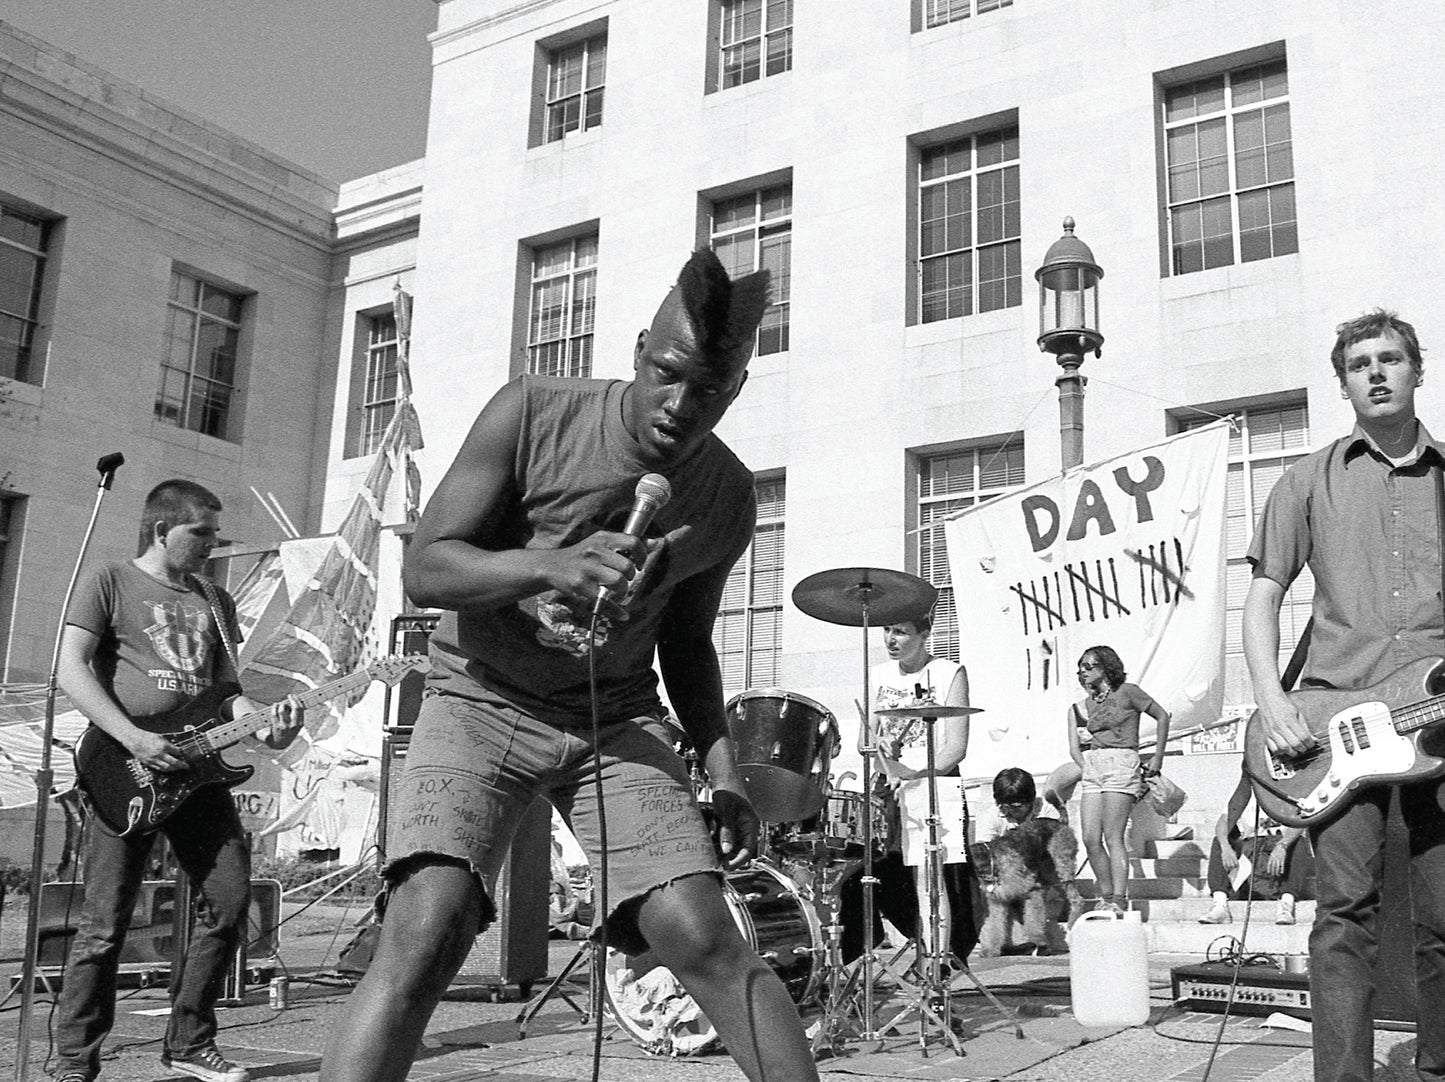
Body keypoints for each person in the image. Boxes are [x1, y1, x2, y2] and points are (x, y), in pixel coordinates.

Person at [318, 249, 820, 1082]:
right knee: (429, 927)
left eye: (706, 392)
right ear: (636, 350)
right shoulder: (531, 410)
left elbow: (686, 642)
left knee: (706, 938)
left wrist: (723, 768)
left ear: (733, 393)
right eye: (667, 374)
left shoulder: (726, 495)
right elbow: (428, 568)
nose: (678, 405)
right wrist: (549, 568)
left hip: (612, 721)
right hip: (480, 696)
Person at [1243, 309, 1445, 1082]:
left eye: (1389, 358)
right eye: (1359, 362)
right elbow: (1262, 596)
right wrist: (1270, 698)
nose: (1375, 372)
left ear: (1415, 370)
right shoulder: (1306, 479)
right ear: (1343, 383)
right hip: (1337, 726)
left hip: (1436, 724)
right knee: (1343, 917)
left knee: (1441, 918)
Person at [53, 480, 303, 1082]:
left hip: (202, 775)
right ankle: (73, 1063)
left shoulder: (216, 600)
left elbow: (228, 693)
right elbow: (70, 667)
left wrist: (271, 731)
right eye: (202, 533)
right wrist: (134, 738)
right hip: (126, 768)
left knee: (230, 901)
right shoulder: (109, 579)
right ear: (161, 529)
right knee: (104, 925)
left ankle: (189, 1041)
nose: (212, 545)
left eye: (216, 533)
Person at [869, 613, 980, 966]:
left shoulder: (949, 672)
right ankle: (919, 947)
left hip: (934, 784)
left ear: (925, 634)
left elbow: (955, 746)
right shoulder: (879, 674)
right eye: (887, 630)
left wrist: (918, 777)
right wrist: (880, 752)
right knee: (890, 875)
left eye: (900, 631)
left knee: (932, 877)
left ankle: (938, 962)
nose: (891, 639)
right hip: (890, 785)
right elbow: (865, 739)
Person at [1067, 644, 1170, 913]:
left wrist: (1157, 757)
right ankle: (1106, 893)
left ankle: (1118, 900)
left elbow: (1161, 715)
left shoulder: (1128, 692)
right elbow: (1076, 745)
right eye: (1081, 667)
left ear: (1106, 667)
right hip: (1095, 765)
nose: (1084, 671)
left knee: (1113, 835)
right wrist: (1086, 765)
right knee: (1090, 837)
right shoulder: (1087, 703)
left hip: (1121, 761)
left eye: (1090, 666)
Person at [1197, 770, 1314, 926]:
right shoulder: (1245, 789)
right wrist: (1225, 847)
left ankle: (1286, 904)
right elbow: (1224, 820)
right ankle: (1220, 904)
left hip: (1280, 845)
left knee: (1299, 842)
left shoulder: (1292, 785)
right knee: (1220, 840)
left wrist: (1282, 846)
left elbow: (1302, 819)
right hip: (1252, 847)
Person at [973, 767, 1060, 845]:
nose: (1010, 810)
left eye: (1016, 807)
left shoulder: (1047, 811)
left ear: (1031, 800)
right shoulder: (991, 816)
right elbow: (983, 850)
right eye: (1005, 806)